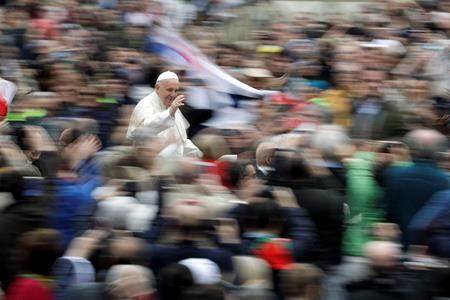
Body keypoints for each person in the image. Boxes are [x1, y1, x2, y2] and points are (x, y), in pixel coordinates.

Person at [127, 71, 202, 158]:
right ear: (157, 88)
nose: (173, 94)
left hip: (172, 162)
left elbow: (182, 141)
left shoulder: (172, 106)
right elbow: (147, 127)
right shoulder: (146, 104)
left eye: (176, 90)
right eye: (169, 90)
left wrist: (196, 153)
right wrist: (170, 113)